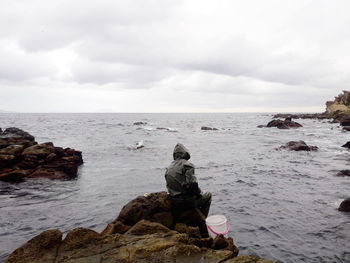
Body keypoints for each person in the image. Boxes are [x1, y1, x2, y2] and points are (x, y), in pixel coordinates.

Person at [165, 143, 211, 217]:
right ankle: (203, 218)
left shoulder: (169, 167)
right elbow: (192, 185)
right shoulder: (187, 165)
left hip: (174, 201)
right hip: (185, 202)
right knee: (208, 195)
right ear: (185, 153)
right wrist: (199, 194)